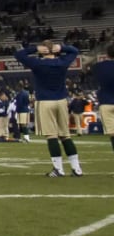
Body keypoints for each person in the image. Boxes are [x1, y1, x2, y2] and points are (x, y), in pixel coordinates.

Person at [14, 40, 83, 177]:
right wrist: (62, 48)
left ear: (43, 50)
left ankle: (58, 169)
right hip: (61, 100)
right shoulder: (62, 62)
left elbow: (19, 54)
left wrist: (35, 48)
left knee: (51, 136)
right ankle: (77, 168)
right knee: (65, 135)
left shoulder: (38, 63)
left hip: (45, 101)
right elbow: (75, 51)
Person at [91, 44, 114, 155]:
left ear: (107, 54)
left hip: (106, 102)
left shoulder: (99, 66)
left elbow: (87, 65)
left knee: (112, 133)